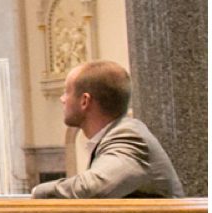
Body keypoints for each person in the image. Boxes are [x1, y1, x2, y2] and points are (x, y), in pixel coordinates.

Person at [32, 60, 183, 198]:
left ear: (85, 101)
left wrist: (37, 192)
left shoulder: (129, 136)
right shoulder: (117, 134)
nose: (62, 99)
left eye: (66, 92)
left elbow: (92, 188)